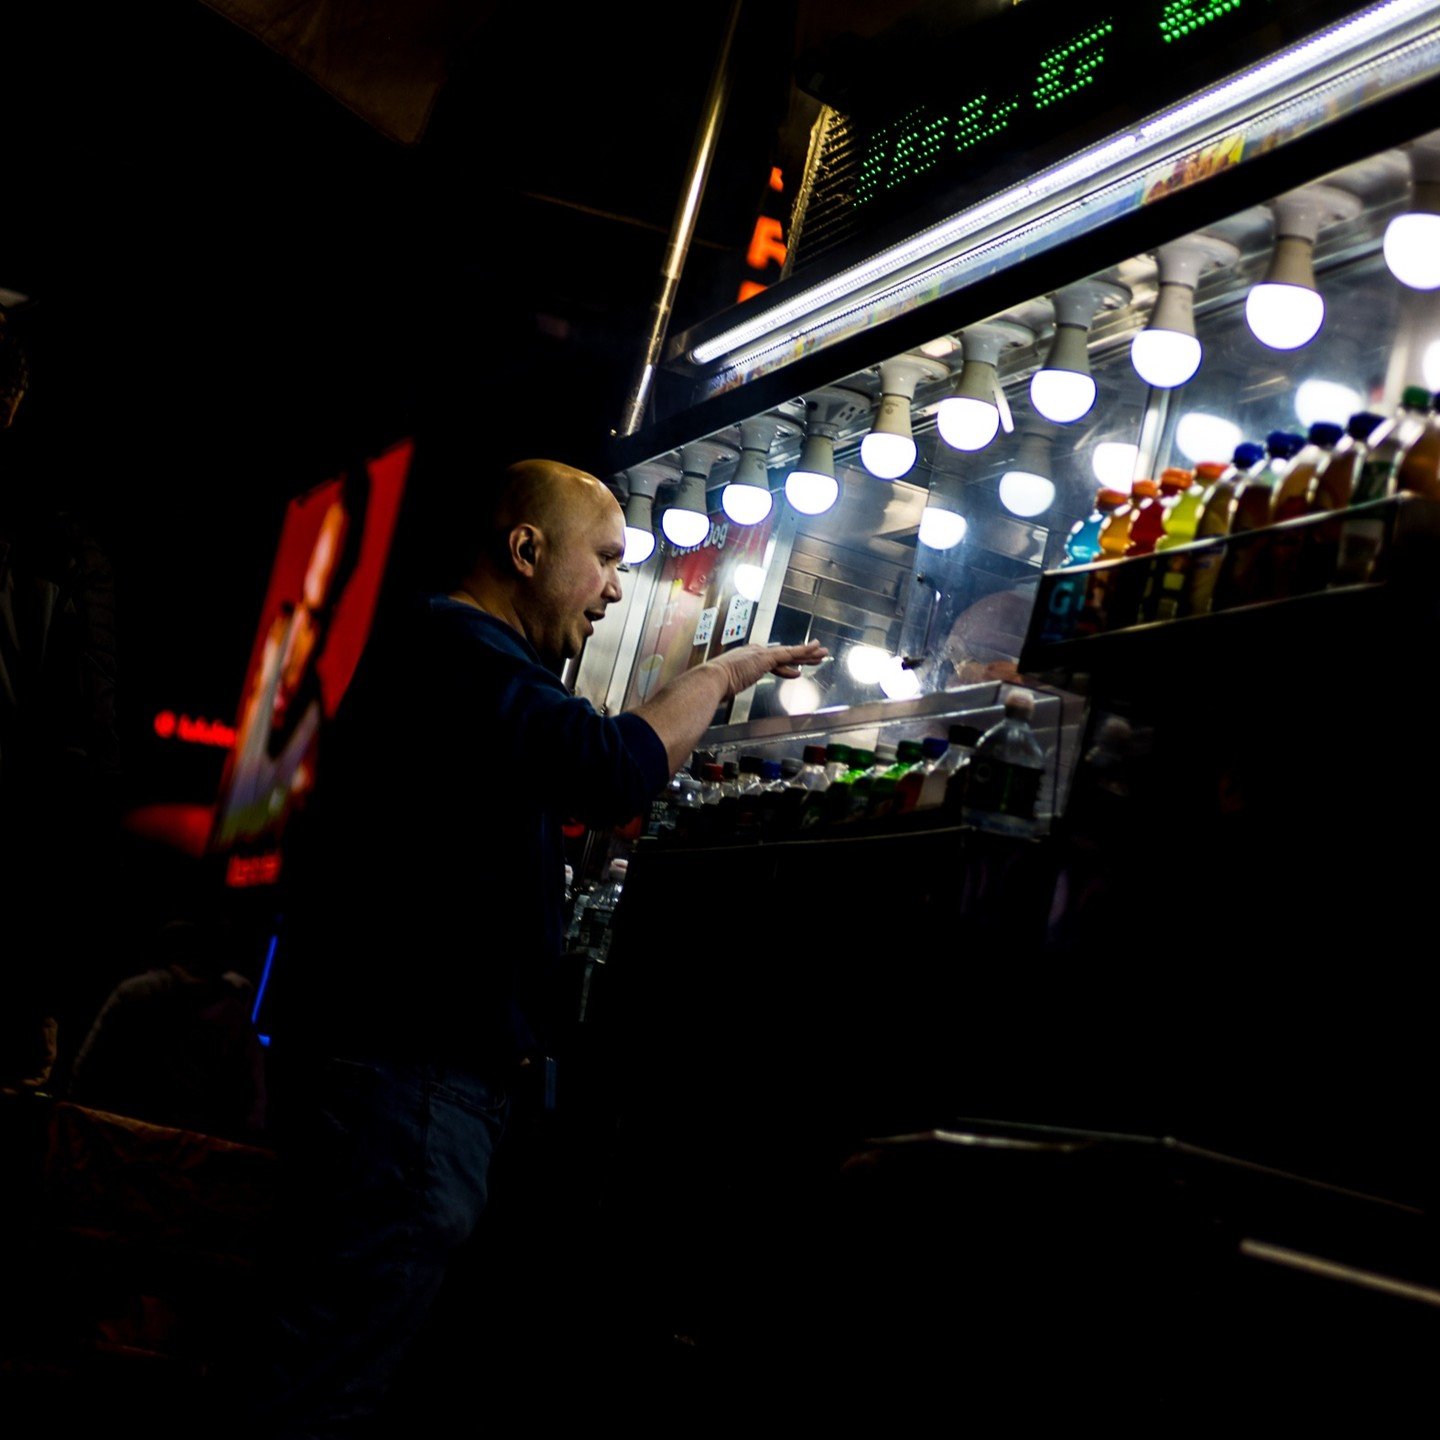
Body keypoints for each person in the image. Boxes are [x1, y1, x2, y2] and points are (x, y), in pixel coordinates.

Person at [232, 457, 827, 1437]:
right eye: (606, 559)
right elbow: (613, 768)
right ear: (525, 549)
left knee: (321, 1357)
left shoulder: (441, 654)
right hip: (408, 1085)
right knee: (324, 1383)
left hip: (386, 1078)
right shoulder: (461, 651)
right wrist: (723, 674)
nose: (615, 589)